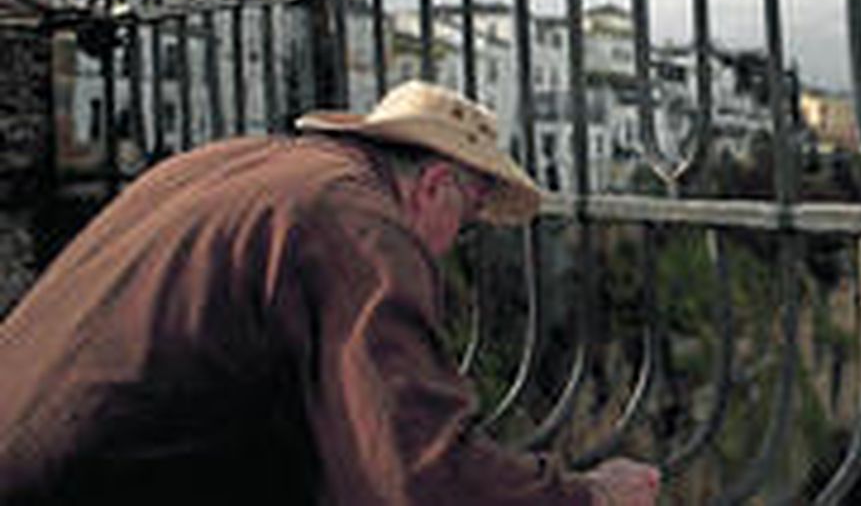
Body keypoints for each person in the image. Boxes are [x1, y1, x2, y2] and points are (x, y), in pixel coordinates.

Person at [0, 80, 660, 506]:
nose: (452, 245)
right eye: (463, 224)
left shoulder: (242, 163)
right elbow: (416, 474)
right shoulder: (359, 223)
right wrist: (588, 495)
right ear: (434, 186)